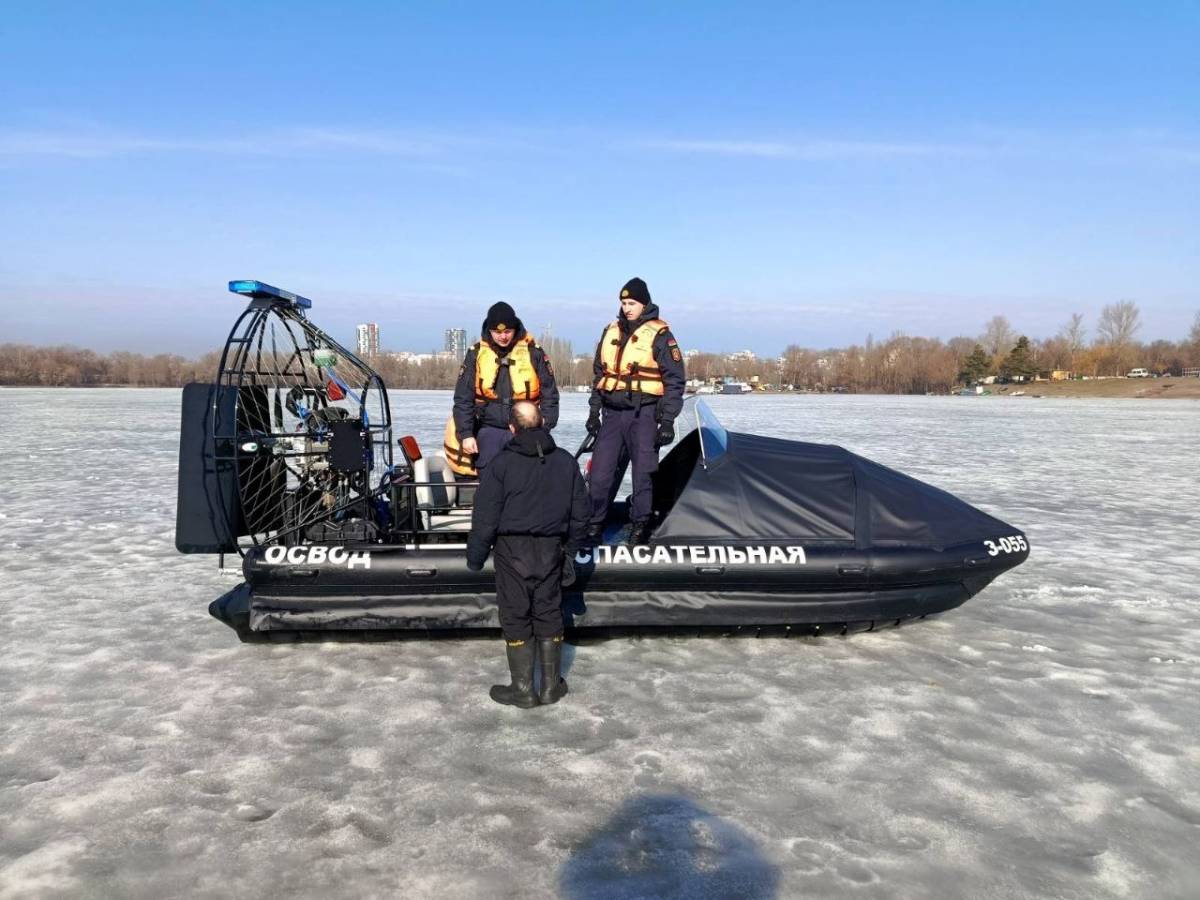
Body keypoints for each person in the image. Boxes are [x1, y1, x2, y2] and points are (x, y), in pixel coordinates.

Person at [467, 400, 590, 708]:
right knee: (549, 613)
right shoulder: (565, 462)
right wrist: (570, 551)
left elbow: (485, 515)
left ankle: (523, 690)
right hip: (551, 549)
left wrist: (475, 556)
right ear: (542, 423)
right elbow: (581, 514)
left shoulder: (500, 464)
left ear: (511, 427)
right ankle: (550, 687)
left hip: (513, 551)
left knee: (516, 614)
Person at [586, 277, 686, 545]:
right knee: (600, 475)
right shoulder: (610, 331)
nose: (627, 307)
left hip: (644, 414)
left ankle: (640, 525)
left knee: (643, 475)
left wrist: (666, 421)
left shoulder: (661, 335)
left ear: (644, 304)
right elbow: (599, 375)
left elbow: (675, 381)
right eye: (623, 303)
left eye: (632, 303)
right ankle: (594, 524)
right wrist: (593, 414)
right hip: (612, 413)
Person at [447, 301, 559, 478]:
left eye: (507, 331)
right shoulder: (475, 354)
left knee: (526, 481)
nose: (503, 337)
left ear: (515, 328)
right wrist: (466, 434)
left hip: (527, 432)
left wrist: (545, 427)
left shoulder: (534, 353)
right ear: (489, 330)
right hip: (489, 429)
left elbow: (550, 394)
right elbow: (463, 398)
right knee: (490, 482)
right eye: (497, 332)